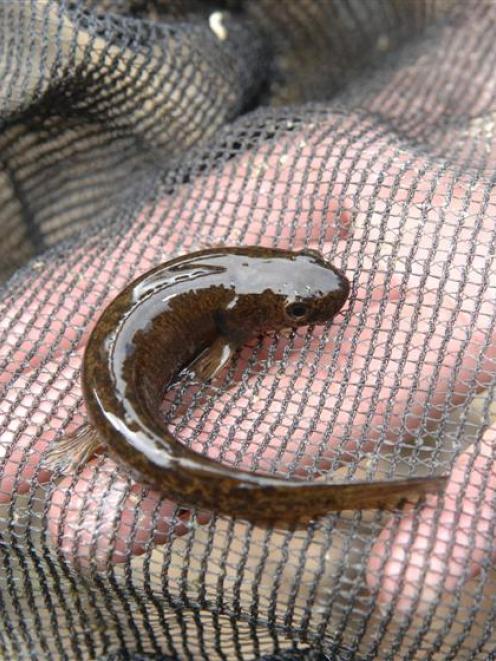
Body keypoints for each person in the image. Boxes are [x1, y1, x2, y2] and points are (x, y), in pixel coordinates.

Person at [1, 109, 495, 616]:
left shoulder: (232, 286)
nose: (305, 314)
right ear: (237, 317)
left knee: (127, 427)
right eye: (297, 312)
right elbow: (213, 354)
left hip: (119, 393)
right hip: (118, 403)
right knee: (130, 436)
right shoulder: (226, 313)